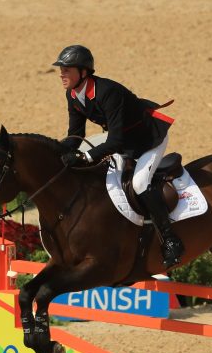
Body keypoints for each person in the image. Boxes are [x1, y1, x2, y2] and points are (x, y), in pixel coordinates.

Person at [52, 44, 185, 268]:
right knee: (108, 184)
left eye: (67, 69)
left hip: (149, 140)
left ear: (83, 72)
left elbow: (114, 141)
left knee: (140, 183)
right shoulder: (73, 94)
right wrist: (57, 152)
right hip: (125, 142)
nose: (61, 74)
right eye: (61, 69)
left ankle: (171, 240)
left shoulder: (107, 92)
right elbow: (76, 134)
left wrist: (85, 158)